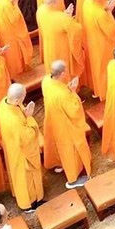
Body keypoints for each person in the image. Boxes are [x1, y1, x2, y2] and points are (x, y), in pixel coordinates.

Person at [41, 59, 92, 189]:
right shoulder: (63, 94)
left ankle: (58, 163)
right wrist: (73, 91)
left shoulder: (46, 80)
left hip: (52, 120)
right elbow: (74, 110)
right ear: (63, 73)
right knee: (69, 150)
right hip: (65, 125)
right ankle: (73, 179)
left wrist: (68, 89)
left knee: (57, 145)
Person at [0, 82, 44, 212]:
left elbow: (19, 112)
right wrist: (29, 117)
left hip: (13, 147)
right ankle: (30, 203)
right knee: (26, 179)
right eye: (24, 96)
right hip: (22, 152)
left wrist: (24, 112)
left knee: (19, 176)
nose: (25, 98)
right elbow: (29, 136)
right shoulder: (13, 121)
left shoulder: (4, 103)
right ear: (17, 99)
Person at [82, 0, 115, 100]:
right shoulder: (100, 14)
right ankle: (107, 93)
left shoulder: (86, 2)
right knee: (105, 68)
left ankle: (98, 90)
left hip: (93, 40)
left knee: (97, 67)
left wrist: (105, 8)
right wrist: (109, 11)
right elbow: (111, 31)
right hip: (104, 43)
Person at [37, 0, 85, 80]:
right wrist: (68, 18)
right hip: (61, 49)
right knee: (63, 71)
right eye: (60, 0)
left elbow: (52, 23)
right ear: (54, 3)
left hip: (49, 46)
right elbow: (77, 29)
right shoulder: (62, 18)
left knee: (52, 68)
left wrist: (64, 15)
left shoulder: (40, 11)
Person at [0, 0, 33, 76]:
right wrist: (15, 2)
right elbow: (14, 19)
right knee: (15, 55)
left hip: (4, 28)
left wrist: (12, 2)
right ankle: (18, 73)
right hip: (10, 31)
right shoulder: (5, 3)